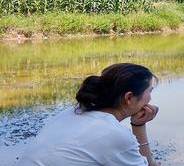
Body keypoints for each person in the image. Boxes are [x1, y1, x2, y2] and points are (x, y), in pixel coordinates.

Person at [17, 63, 161, 166]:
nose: (150, 98)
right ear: (129, 98)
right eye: (150, 91)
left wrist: (138, 123)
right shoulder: (113, 134)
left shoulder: (72, 112)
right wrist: (139, 127)